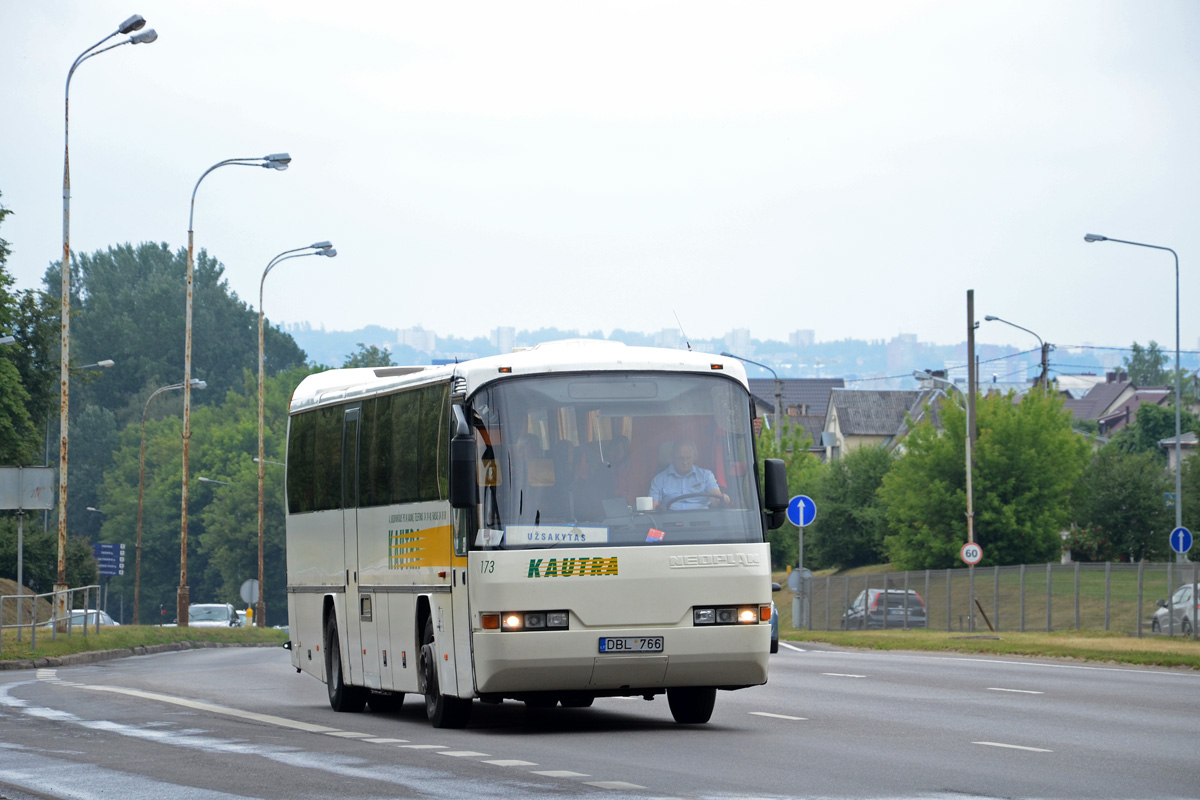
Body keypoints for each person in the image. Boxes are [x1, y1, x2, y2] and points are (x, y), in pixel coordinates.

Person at [650, 440, 728, 510]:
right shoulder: (659, 480)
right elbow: (653, 507)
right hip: (670, 523)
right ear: (673, 457)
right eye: (681, 458)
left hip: (702, 521)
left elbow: (716, 500)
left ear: (694, 457)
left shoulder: (706, 476)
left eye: (688, 458)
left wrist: (722, 499)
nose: (685, 462)